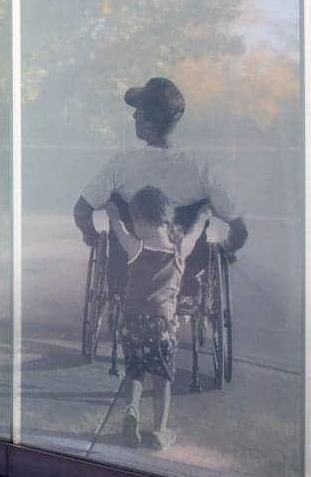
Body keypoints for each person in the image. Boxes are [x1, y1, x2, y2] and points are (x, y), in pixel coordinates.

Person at [73, 77, 248, 295]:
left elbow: (82, 210)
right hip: (186, 276)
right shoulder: (201, 169)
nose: (134, 115)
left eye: (139, 111)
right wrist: (225, 249)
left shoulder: (119, 166)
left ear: (148, 120)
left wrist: (91, 236)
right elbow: (240, 232)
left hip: (127, 273)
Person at [105, 187, 209, 450]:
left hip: (131, 324)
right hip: (161, 326)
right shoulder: (179, 249)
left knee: (135, 371)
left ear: (139, 220)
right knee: (162, 380)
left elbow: (117, 225)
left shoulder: (135, 246)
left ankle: (131, 409)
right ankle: (160, 431)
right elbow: (195, 231)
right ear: (166, 218)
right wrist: (204, 214)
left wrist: (113, 209)